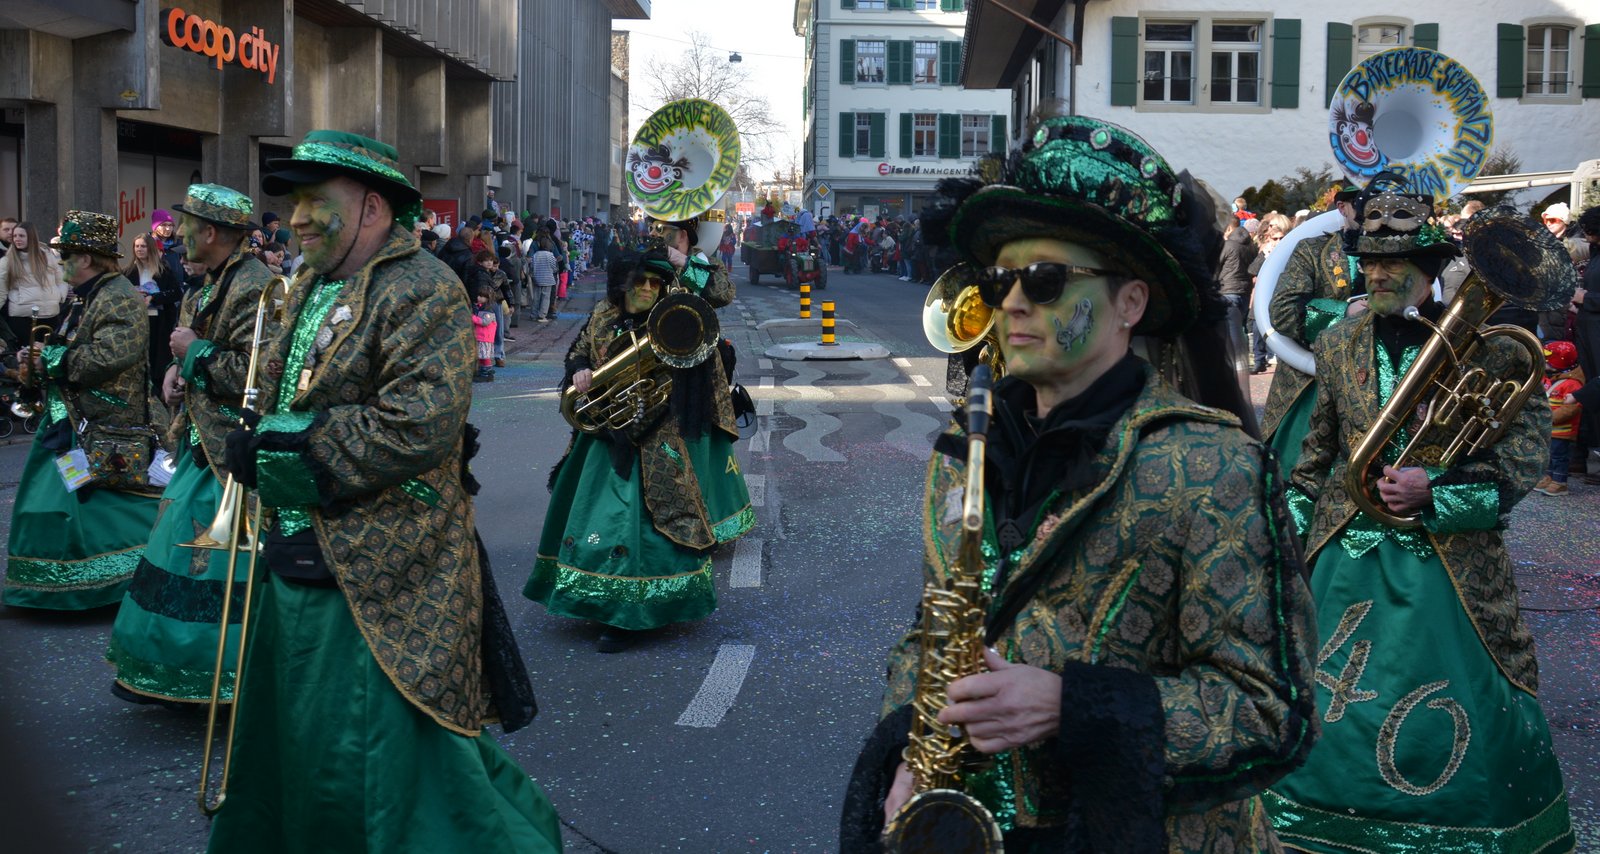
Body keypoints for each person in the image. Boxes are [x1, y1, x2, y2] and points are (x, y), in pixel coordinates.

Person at [840, 115, 1317, 852]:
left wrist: (1074, 707)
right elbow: (930, 631)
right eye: (1000, 280)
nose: (1011, 303)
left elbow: (1271, 712)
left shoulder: (1215, 466)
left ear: (1131, 304)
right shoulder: (966, 449)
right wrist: (907, 748)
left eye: (1046, 280)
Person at [208, 130, 559, 851]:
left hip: (387, 568)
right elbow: (278, 388)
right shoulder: (310, 284)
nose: (296, 219)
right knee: (297, 736)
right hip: (297, 552)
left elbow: (417, 424)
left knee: (375, 752)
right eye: (295, 203)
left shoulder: (422, 285)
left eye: (315, 201)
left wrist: (279, 448)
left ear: (371, 207)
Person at [1264, 195, 1574, 851]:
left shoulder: (1492, 352)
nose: (1376, 275)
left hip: (1449, 563)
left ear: (1429, 271)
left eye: (1394, 263)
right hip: (1343, 550)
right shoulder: (1339, 341)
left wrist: (1435, 489)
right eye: (1369, 262)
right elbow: (1316, 458)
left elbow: (1522, 460)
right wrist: (1286, 540)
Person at [525, 232, 752, 654]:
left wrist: (684, 262)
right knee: (597, 517)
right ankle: (598, 599)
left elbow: (720, 293)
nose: (648, 288)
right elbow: (579, 350)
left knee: (650, 521)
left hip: (658, 437)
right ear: (622, 284)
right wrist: (579, 369)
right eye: (640, 281)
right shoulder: (603, 313)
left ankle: (633, 613)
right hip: (605, 434)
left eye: (655, 282)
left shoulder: (674, 310)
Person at [106, 184, 277, 705]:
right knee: (176, 547)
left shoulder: (257, 287)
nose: (178, 234)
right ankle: (169, 666)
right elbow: (190, 351)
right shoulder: (208, 282)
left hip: (234, 454)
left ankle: (222, 676)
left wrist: (195, 353)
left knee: (221, 563)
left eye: (188, 225)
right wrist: (175, 372)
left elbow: (262, 376)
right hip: (201, 446)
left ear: (212, 232)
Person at [2, 211, 161, 609]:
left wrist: (51, 359)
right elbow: (71, 348)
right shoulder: (84, 296)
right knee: (57, 503)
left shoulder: (119, 296)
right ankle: (54, 584)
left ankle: (121, 577)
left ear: (87, 258)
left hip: (106, 422)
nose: (60, 263)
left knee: (108, 506)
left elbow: (111, 356)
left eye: (66, 256)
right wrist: (36, 359)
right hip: (70, 421)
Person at [1261, 183, 1363, 468]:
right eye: (1363, 203)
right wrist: (1344, 312)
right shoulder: (1313, 250)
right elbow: (1282, 312)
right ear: (1342, 207)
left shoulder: (1407, 255)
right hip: (1315, 382)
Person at [123, 231, 185, 393]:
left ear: (150, 248)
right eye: (137, 246)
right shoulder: (127, 272)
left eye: (143, 246)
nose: (139, 249)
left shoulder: (163, 270)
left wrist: (154, 298)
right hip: (136, 320)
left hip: (159, 321)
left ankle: (157, 389)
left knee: (157, 357)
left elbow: (176, 293)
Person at [0, 221, 67, 344]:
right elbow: (1, 291)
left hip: (50, 313)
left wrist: (60, 296)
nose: (17, 239)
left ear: (31, 237)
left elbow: (61, 279)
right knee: (27, 352)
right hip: (23, 317)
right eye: (15, 236)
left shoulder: (48, 256)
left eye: (21, 236)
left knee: (48, 352)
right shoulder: (7, 261)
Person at [1536, 339, 1585, 496]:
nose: (1545, 363)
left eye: (1548, 361)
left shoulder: (1572, 384)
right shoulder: (1551, 378)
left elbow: (1571, 408)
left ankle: (1560, 482)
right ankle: (1549, 477)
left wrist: (1549, 417)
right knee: (1550, 455)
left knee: (1559, 457)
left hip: (1562, 431)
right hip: (1550, 429)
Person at [1217, 218, 1260, 368]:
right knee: (1239, 326)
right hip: (1245, 291)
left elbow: (1216, 264)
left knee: (1232, 328)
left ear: (1229, 228)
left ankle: (1238, 362)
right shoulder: (1251, 246)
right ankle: (1241, 359)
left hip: (1227, 289)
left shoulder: (1227, 245)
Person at [527, 236, 559, 323]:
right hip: (548, 279)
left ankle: (533, 314)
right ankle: (542, 315)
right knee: (545, 298)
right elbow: (554, 267)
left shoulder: (535, 255)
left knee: (536, 298)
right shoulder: (550, 255)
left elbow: (532, 267)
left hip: (537, 279)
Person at [471, 285, 498, 382]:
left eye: (482, 296)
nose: (479, 297)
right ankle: (483, 372)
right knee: (481, 356)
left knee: (485, 356)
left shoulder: (488, 310)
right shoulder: (480, 307)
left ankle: (487, 373)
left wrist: (473, 317)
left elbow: (484, 322)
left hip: (485, 337)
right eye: (479, 295)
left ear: (488, 298)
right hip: (480, 336)